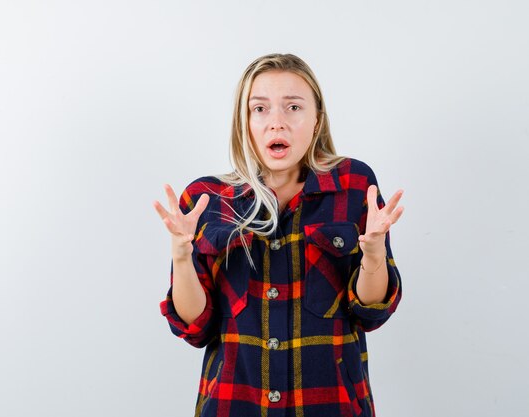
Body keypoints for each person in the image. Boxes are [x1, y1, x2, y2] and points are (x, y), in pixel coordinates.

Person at [153, 53, 404, 417]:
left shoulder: (354, 186)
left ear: (316, 120)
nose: (276, 123)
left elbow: (371, 314)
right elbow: (196, 327)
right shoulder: (206, 200)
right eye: (260, 109)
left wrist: (375, 255)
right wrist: (180, 254)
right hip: (233, 405)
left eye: (293, 107)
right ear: (245, 121)